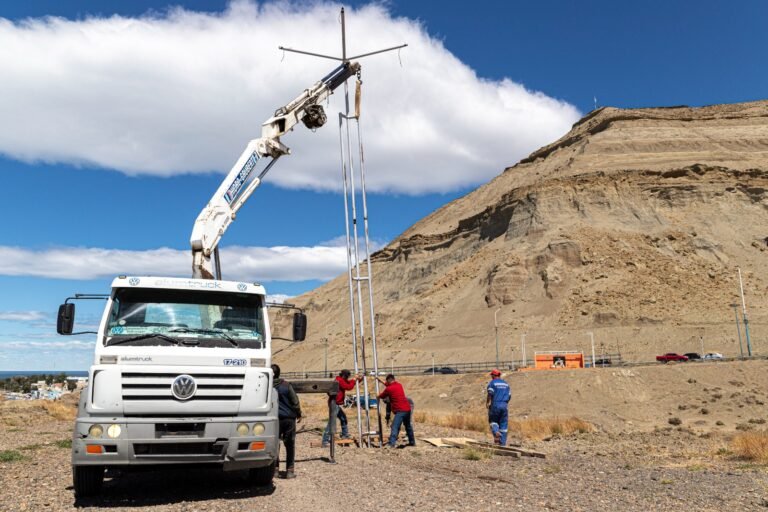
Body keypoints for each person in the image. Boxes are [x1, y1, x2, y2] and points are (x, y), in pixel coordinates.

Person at [272, 364, 302, 479]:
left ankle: (275, 469)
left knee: (275, 444)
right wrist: (299, 414)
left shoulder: (267, 386)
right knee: (290, 444)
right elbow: (295, 401)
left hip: (275, 419)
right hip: (289, 418)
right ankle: (290, 470)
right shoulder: (286, 385)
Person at [322, 369, 363, 446]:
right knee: (332, 422)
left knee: (343, 418)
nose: (348, 378)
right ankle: (325, 440)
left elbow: (349, 383)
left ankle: (345, 434)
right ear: (344, 375)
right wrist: (354, 379)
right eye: (347, 376)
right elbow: (348, 387)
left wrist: (359, 379)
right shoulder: (339, 380)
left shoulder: (341, 379)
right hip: (334, 403)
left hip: (336, 403)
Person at [378, 374, 415, 447]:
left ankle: (391, 443)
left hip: (400, 410)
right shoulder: (399, 385)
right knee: (408, 426)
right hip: (407, 409)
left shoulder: (389, 389)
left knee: (395, 426)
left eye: (386, 381)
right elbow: (389, 386)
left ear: (388, 380)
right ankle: (412, 442)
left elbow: (382, 395)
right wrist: (381, 381)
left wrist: (377, 395)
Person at [486, 369, 511, 446]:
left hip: (495, 404)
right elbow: (509, 396)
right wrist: (504, 403)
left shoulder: (492, 383)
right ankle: (502, 443)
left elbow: (490, 394)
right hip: (504, 405)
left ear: (493, 375)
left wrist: (487, 403)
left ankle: (496, 432)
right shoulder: (506, 384)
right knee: (504, 424)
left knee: (493, 421)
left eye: (491, 375)